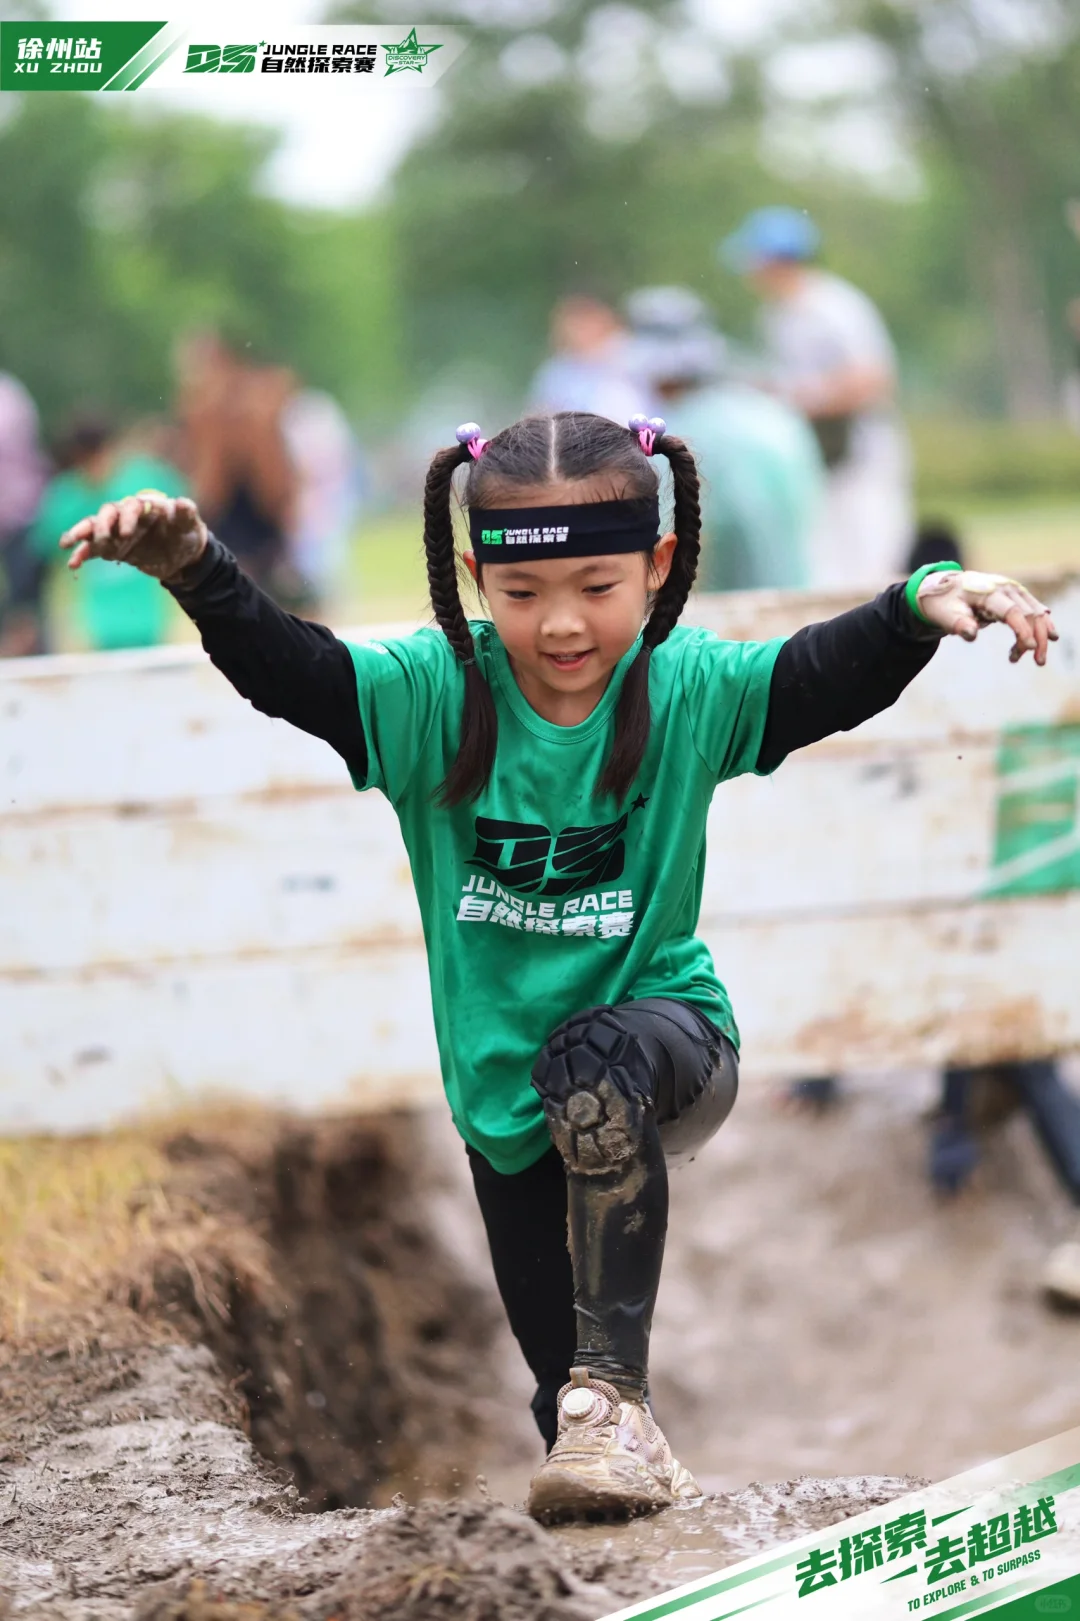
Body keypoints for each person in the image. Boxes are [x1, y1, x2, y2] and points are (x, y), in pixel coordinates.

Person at [58, 411, 1056, 1520]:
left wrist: (915, 605)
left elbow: (817, 676)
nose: (564, 625)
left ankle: (619, 1394)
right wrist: (198, 570)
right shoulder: (433, 693)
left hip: (669, 1039)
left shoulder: (685, 688)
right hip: (504, 1101)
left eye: (597, 586)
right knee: (568, 1422)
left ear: (658, 565)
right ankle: (637, 1498)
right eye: (525, 597)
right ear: (480, 577)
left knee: (592, 1075)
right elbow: (297, 672)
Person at [720, 206, 912, 593]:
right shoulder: (775, 316)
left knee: (875, 568)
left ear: (776, 259)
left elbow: (874, 380)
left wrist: (799, 396)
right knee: (828, 575)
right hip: (815, 459)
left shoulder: (834, 306)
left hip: (861, 457)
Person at [625, 285, 822, 591]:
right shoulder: (773, 414)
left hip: (731, 611)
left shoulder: (680, 434)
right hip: (799, 597)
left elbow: (682, 540)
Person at [29, 415, 186, 651]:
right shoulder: (66, 497)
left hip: (149, 621)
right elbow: (44, 550)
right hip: (93, 631)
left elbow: (183, 517)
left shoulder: (145, 480)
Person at [175, 330, 298, 598]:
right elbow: (209, 490)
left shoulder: (259, 398)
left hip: (262, 515)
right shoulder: (200, 410)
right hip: (228, 517)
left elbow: (275, 486)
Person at [529, 295, 651, 426]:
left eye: (583, 318)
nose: (577, 329)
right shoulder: (556, 373)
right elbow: (538, 420)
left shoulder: (638, 357)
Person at [0, 371, 49, 657]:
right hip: (20, 513)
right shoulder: (13, 393)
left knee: (25, 609)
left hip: (19, 517)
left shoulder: (8, 398)